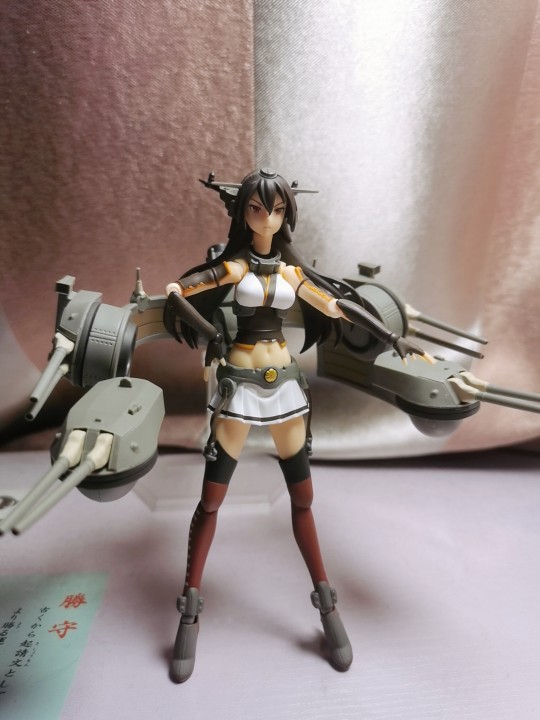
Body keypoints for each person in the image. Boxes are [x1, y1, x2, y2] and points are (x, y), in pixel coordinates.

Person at [164, 168, 427, 683]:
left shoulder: (291, 273)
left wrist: (390, 337)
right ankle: (190, 609)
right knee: (212, 499)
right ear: (243, 213)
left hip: (284, 386)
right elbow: (177, 291)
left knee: (303, 497)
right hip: (240, 385)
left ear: (286, 214)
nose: (267, 218)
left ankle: (327, 604)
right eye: (257, 209)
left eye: (277, 209)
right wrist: (208, 333)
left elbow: (339, 307)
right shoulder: (233, 267)